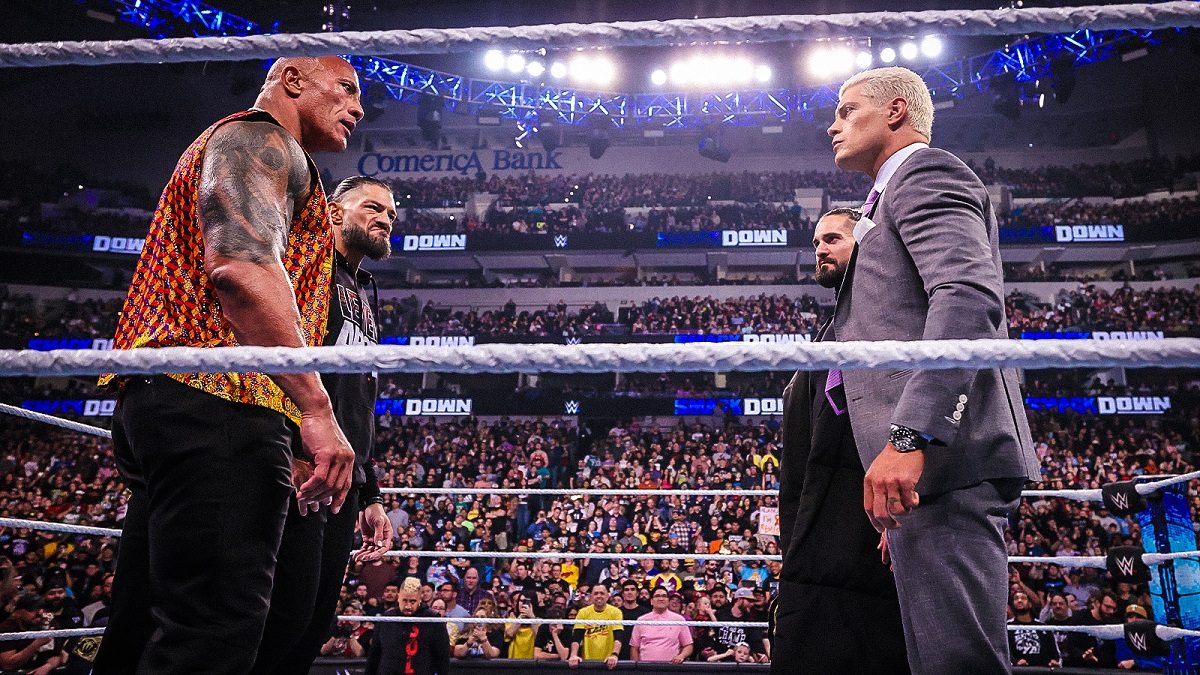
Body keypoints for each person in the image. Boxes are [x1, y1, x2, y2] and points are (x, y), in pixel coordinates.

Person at [94, 55, 363, 674]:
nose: (357, 108)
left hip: (178, 397)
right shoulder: (257, 140)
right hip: (216, 398)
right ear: (292, 80)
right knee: (215, 629)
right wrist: (315, 407)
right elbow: (241, 270)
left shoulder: (255, 150)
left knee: (148, 622)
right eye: (346, 89)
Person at [826, 65, 1040, 673]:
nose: (833, 126)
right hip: (928, 478)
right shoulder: (884, 198)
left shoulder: (924, 172)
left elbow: (967, 297)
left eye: (847, 111)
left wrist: (910, 439)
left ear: (895, 111)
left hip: (945, 461)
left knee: (959, 664)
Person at [253, 175, 397, 673]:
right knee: (282, 614)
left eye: (391, 214)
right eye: (373, 208)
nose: (385, 220)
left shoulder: (365, 289)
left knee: (314, 622)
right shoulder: (304, 267)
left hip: (342, 478)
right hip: (301, 465)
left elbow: (357, 401)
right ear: (334, 212)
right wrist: (288, 448)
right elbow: (273, 360)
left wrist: (369, 492)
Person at [773, 208, 908, 674]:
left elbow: (907, 415)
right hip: (824, 526)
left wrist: (903, 515)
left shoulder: (888, 321)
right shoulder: (833, 330)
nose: (820, 250)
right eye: (816, 243)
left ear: (865, 246)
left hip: (867, 524)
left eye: (832, 239)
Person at [365, 578, 450, 675]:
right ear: (398, 597)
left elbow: (443, 656)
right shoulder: (387, 619)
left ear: (420, 599)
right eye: (404, 600)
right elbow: (374, 654)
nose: (408, 606)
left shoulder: (432, 620)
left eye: (412, 601)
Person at [629, 586, 693, 663]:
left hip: (671, 667)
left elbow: (688, 645)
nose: (661, 599)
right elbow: (634, 648)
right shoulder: (641, 620)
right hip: (645, 667)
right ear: (651, 601)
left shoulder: (679, 620)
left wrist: (681, 656)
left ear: (668, 601)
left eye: (664, 596)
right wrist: (637, 667)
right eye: (657, 596)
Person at [568, 584, 623, 669]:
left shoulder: (616, 612)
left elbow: (618, 636)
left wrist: (614, 655)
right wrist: (573, 655)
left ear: (608, 596)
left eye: (602, 593)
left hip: (609, 662)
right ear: (591, 596)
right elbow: (577, 637)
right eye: (596, 593)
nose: (599, 596)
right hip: (587, 662)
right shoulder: (583, 612)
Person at [1007, 591, 1060, 667]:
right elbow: (1004, 651)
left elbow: (1055, 652)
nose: (1019, 600)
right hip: (1017, 670)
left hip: (1042, 670)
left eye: (1023, 598)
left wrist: (1054, 661)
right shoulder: (1008, 627)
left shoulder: (1043, 627)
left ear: (1030, 604)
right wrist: (1014, 663)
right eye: (1016, 598)